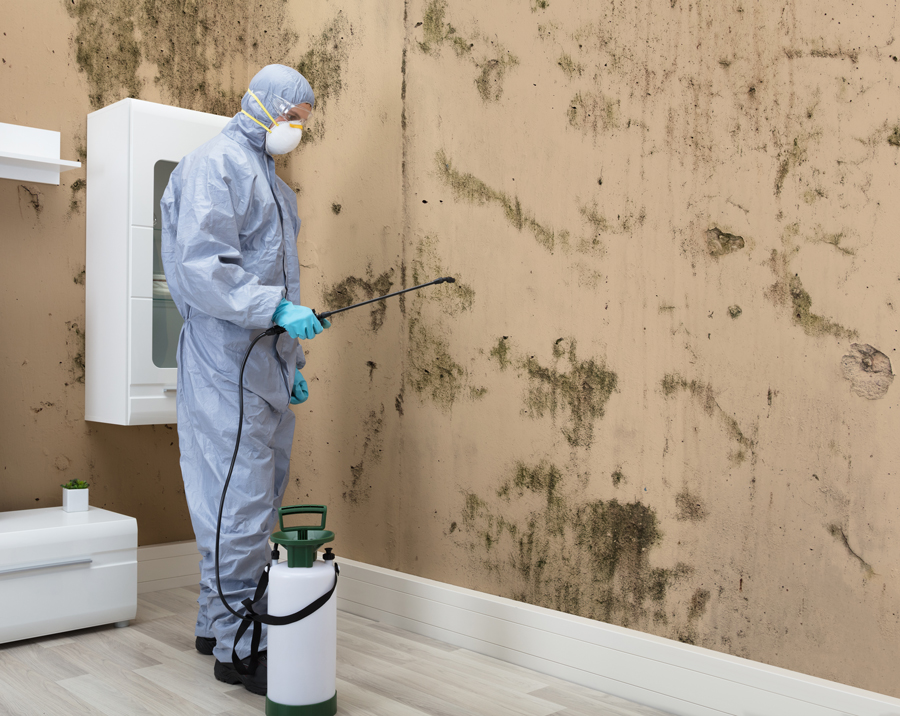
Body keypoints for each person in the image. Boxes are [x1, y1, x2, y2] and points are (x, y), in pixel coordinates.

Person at [160, 64, 327, 695]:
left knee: (245, 499)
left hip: (264, 365)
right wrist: (276, 312)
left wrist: (294, 364)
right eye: (294, 117)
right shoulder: (217, 165)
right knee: (242, 505)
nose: (298, 130)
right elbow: (205, 269)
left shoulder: (274, 184)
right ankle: (239, 648)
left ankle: (214, 620)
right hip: (226, 362)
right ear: (262, 106)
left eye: (304, 123)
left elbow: (279, 278)